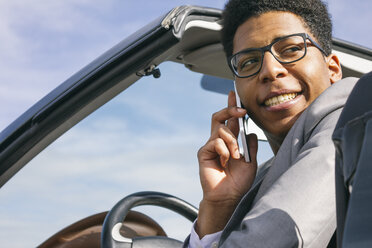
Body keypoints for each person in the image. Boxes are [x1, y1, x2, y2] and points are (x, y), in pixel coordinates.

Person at [184, 0, 359, 247]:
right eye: (249, 62)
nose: (269, 70)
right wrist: (218, 205)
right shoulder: (265, 175)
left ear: (333, 70)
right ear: (237, 93)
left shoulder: (350, 122)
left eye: (290, 49)